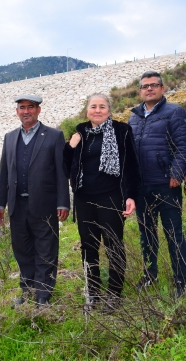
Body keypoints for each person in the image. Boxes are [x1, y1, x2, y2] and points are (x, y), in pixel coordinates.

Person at [64, 93, 141, 310]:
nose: (98, 110)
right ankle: (93, 292)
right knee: (88, 247)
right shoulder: (80, 133)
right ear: (86, 110)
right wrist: (70, 147)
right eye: (93, 106)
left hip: (111, 197)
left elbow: (132, 165)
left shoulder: (121, 131)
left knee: (113, 245)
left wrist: (131, 195)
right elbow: (65, 167)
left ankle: (114, 294)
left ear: (109, 110)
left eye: (102, 106)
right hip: (84, 199)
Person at [0, 94, 70, 307]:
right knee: (22, 250)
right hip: (17, 206)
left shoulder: (54, 135)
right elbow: (4, 173)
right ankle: (28, 290)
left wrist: (63, 202)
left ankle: (43, 295)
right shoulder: (10, 137)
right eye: (22, 107)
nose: (26, 111)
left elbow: (61, 171)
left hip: (45, 204)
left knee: (46, 249)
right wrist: (0, 204)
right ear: (17, 111)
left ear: (39, 110)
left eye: (31, 107)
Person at [128, 71, 186, 296]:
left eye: (154, 85)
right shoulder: (134, 116)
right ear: (140, 91)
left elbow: (183, 146)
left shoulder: (174, 112)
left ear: (162, 89)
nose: (149, 89)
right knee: (147, 233)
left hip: (166, 184)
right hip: (142, 186)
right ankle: (149, 273)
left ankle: (181, 281)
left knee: (174, 233)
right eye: (145, 86)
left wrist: (176, 173)